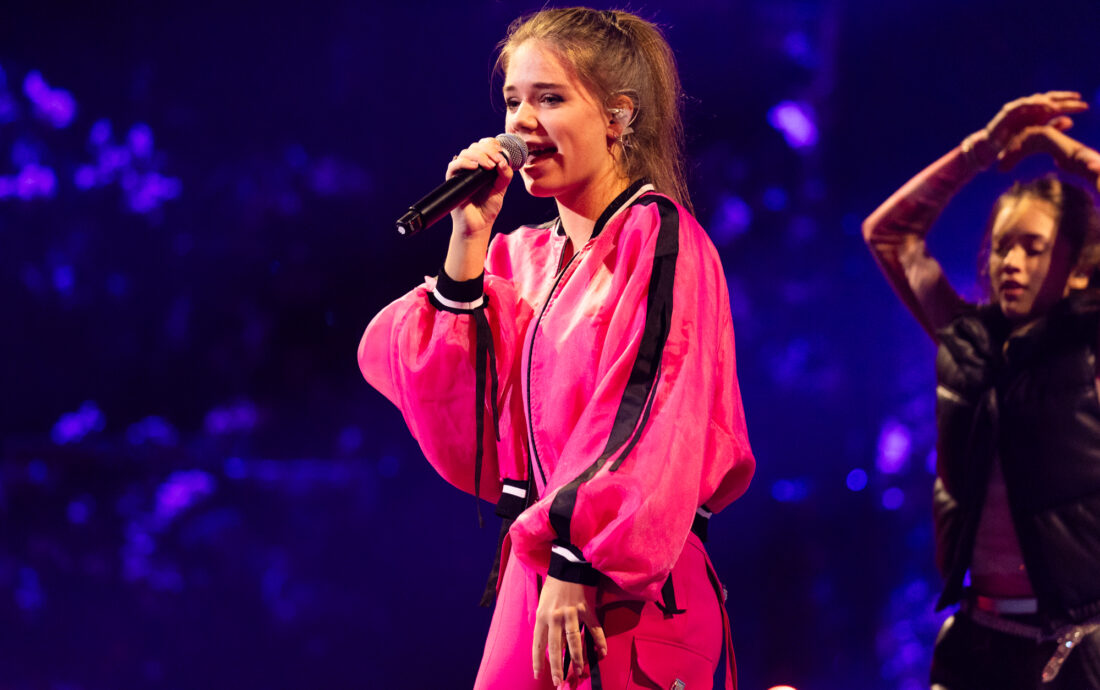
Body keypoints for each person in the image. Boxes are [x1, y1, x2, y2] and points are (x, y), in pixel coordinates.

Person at [358, 7, 755, 689]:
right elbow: (454, 402)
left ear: (618, 117)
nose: (521, 122)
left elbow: (647, 406)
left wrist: (575, 559)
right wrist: (469, 238)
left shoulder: (657, 236)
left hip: (621, 580)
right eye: (513, 100)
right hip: (539, 573)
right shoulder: (520, 258)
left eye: (550, 98)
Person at [862, 91, 1100, 689]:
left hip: (1078, 648)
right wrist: (982, 148)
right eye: (1001, 246)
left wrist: (1066, 154)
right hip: (976, 640)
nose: (1011, 262)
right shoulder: (964, 338)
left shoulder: (1092, 345)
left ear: (1077, 265)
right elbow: (889, 235)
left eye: (1033, 247)